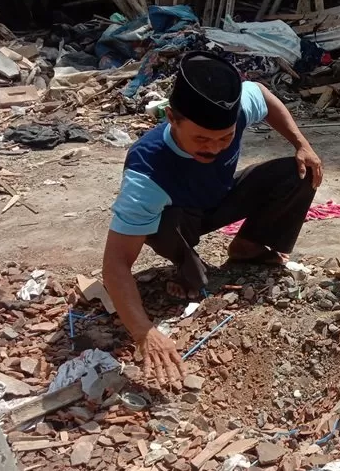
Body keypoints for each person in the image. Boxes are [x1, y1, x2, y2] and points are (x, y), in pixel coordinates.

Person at [102, 51, 323, 390]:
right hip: (173, 222)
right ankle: (186, 263)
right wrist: (144, 332)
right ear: (172, 118)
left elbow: (262, 93)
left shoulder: (235, 109)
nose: (215, 148)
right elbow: (116, 263)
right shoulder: (147, 173)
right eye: (202, 140)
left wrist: (301, 143)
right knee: (186, 255)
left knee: (300, 173)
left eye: (224, 138)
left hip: (217, 198)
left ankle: (249, 245)